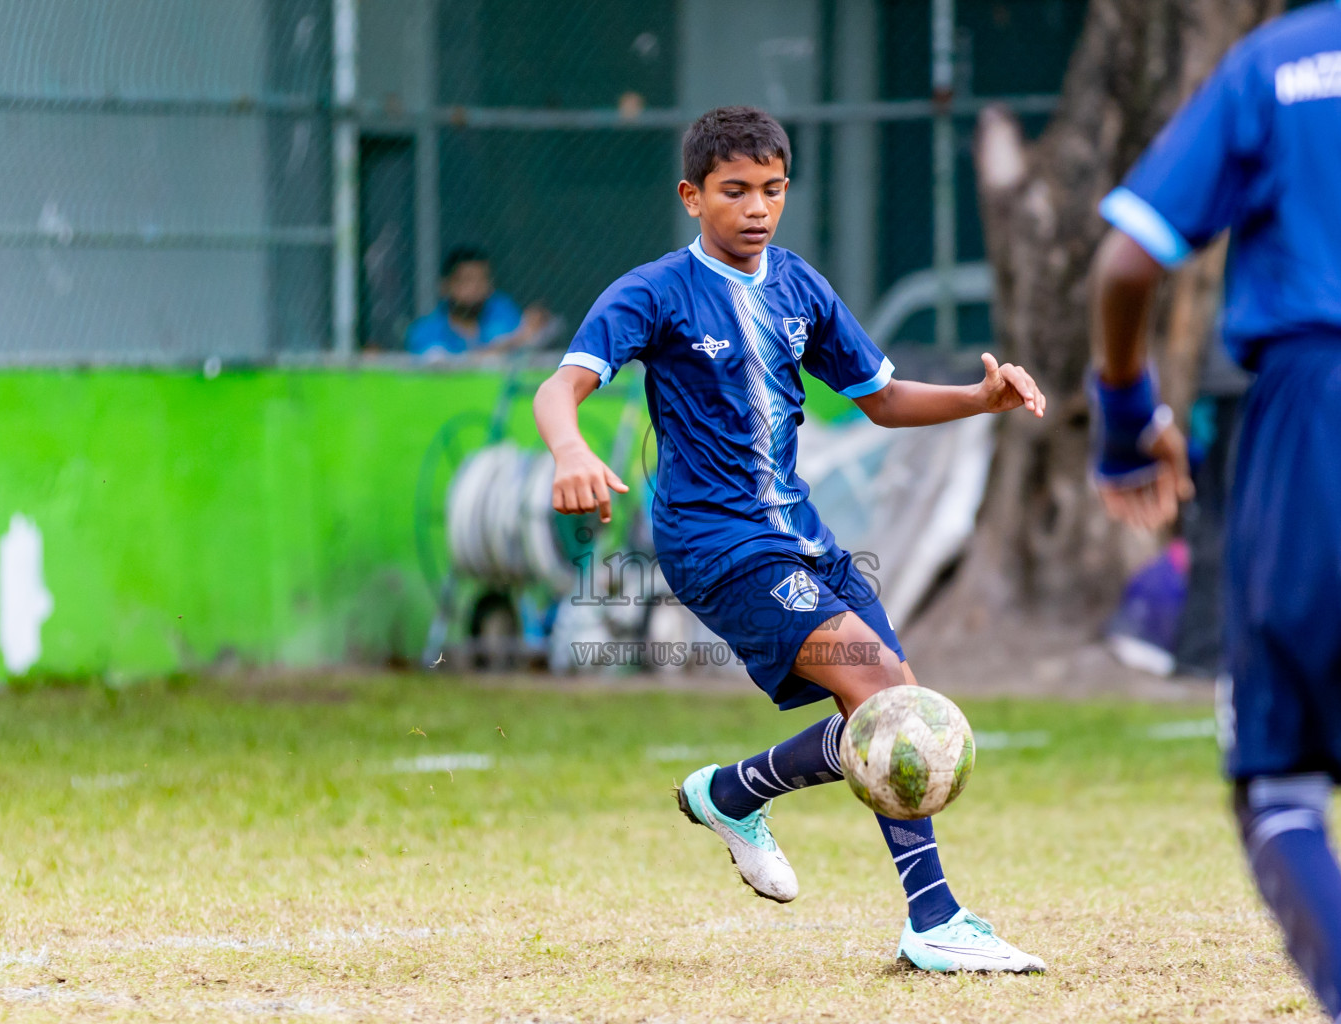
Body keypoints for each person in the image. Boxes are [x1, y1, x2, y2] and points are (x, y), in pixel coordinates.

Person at [532, 106, 1048, 973]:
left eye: (772, 189)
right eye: (734, 191)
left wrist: (977, 398)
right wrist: (570, 447)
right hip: (715, 545)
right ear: (692, 197)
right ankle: (937, 920)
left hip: (801, 537)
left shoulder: (800, 286)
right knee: (884, 689)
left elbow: (880, 398)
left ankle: (734, 795)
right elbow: (563, 384)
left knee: (895, 710)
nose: (757, 208)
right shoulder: (656, 291)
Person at [1088, 3, 1341, 1023]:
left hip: (1324, 399)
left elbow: (1130, 258)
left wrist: (1126, 420)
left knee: (1273, 770)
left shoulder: (1281, 59)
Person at [406, 247, 542, 358]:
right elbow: (444, 370)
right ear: (445, 286)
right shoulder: (426, 330)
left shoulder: (503, 312)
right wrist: (511, 343)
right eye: (467, 280)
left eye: (483, 279)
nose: (476, 287)